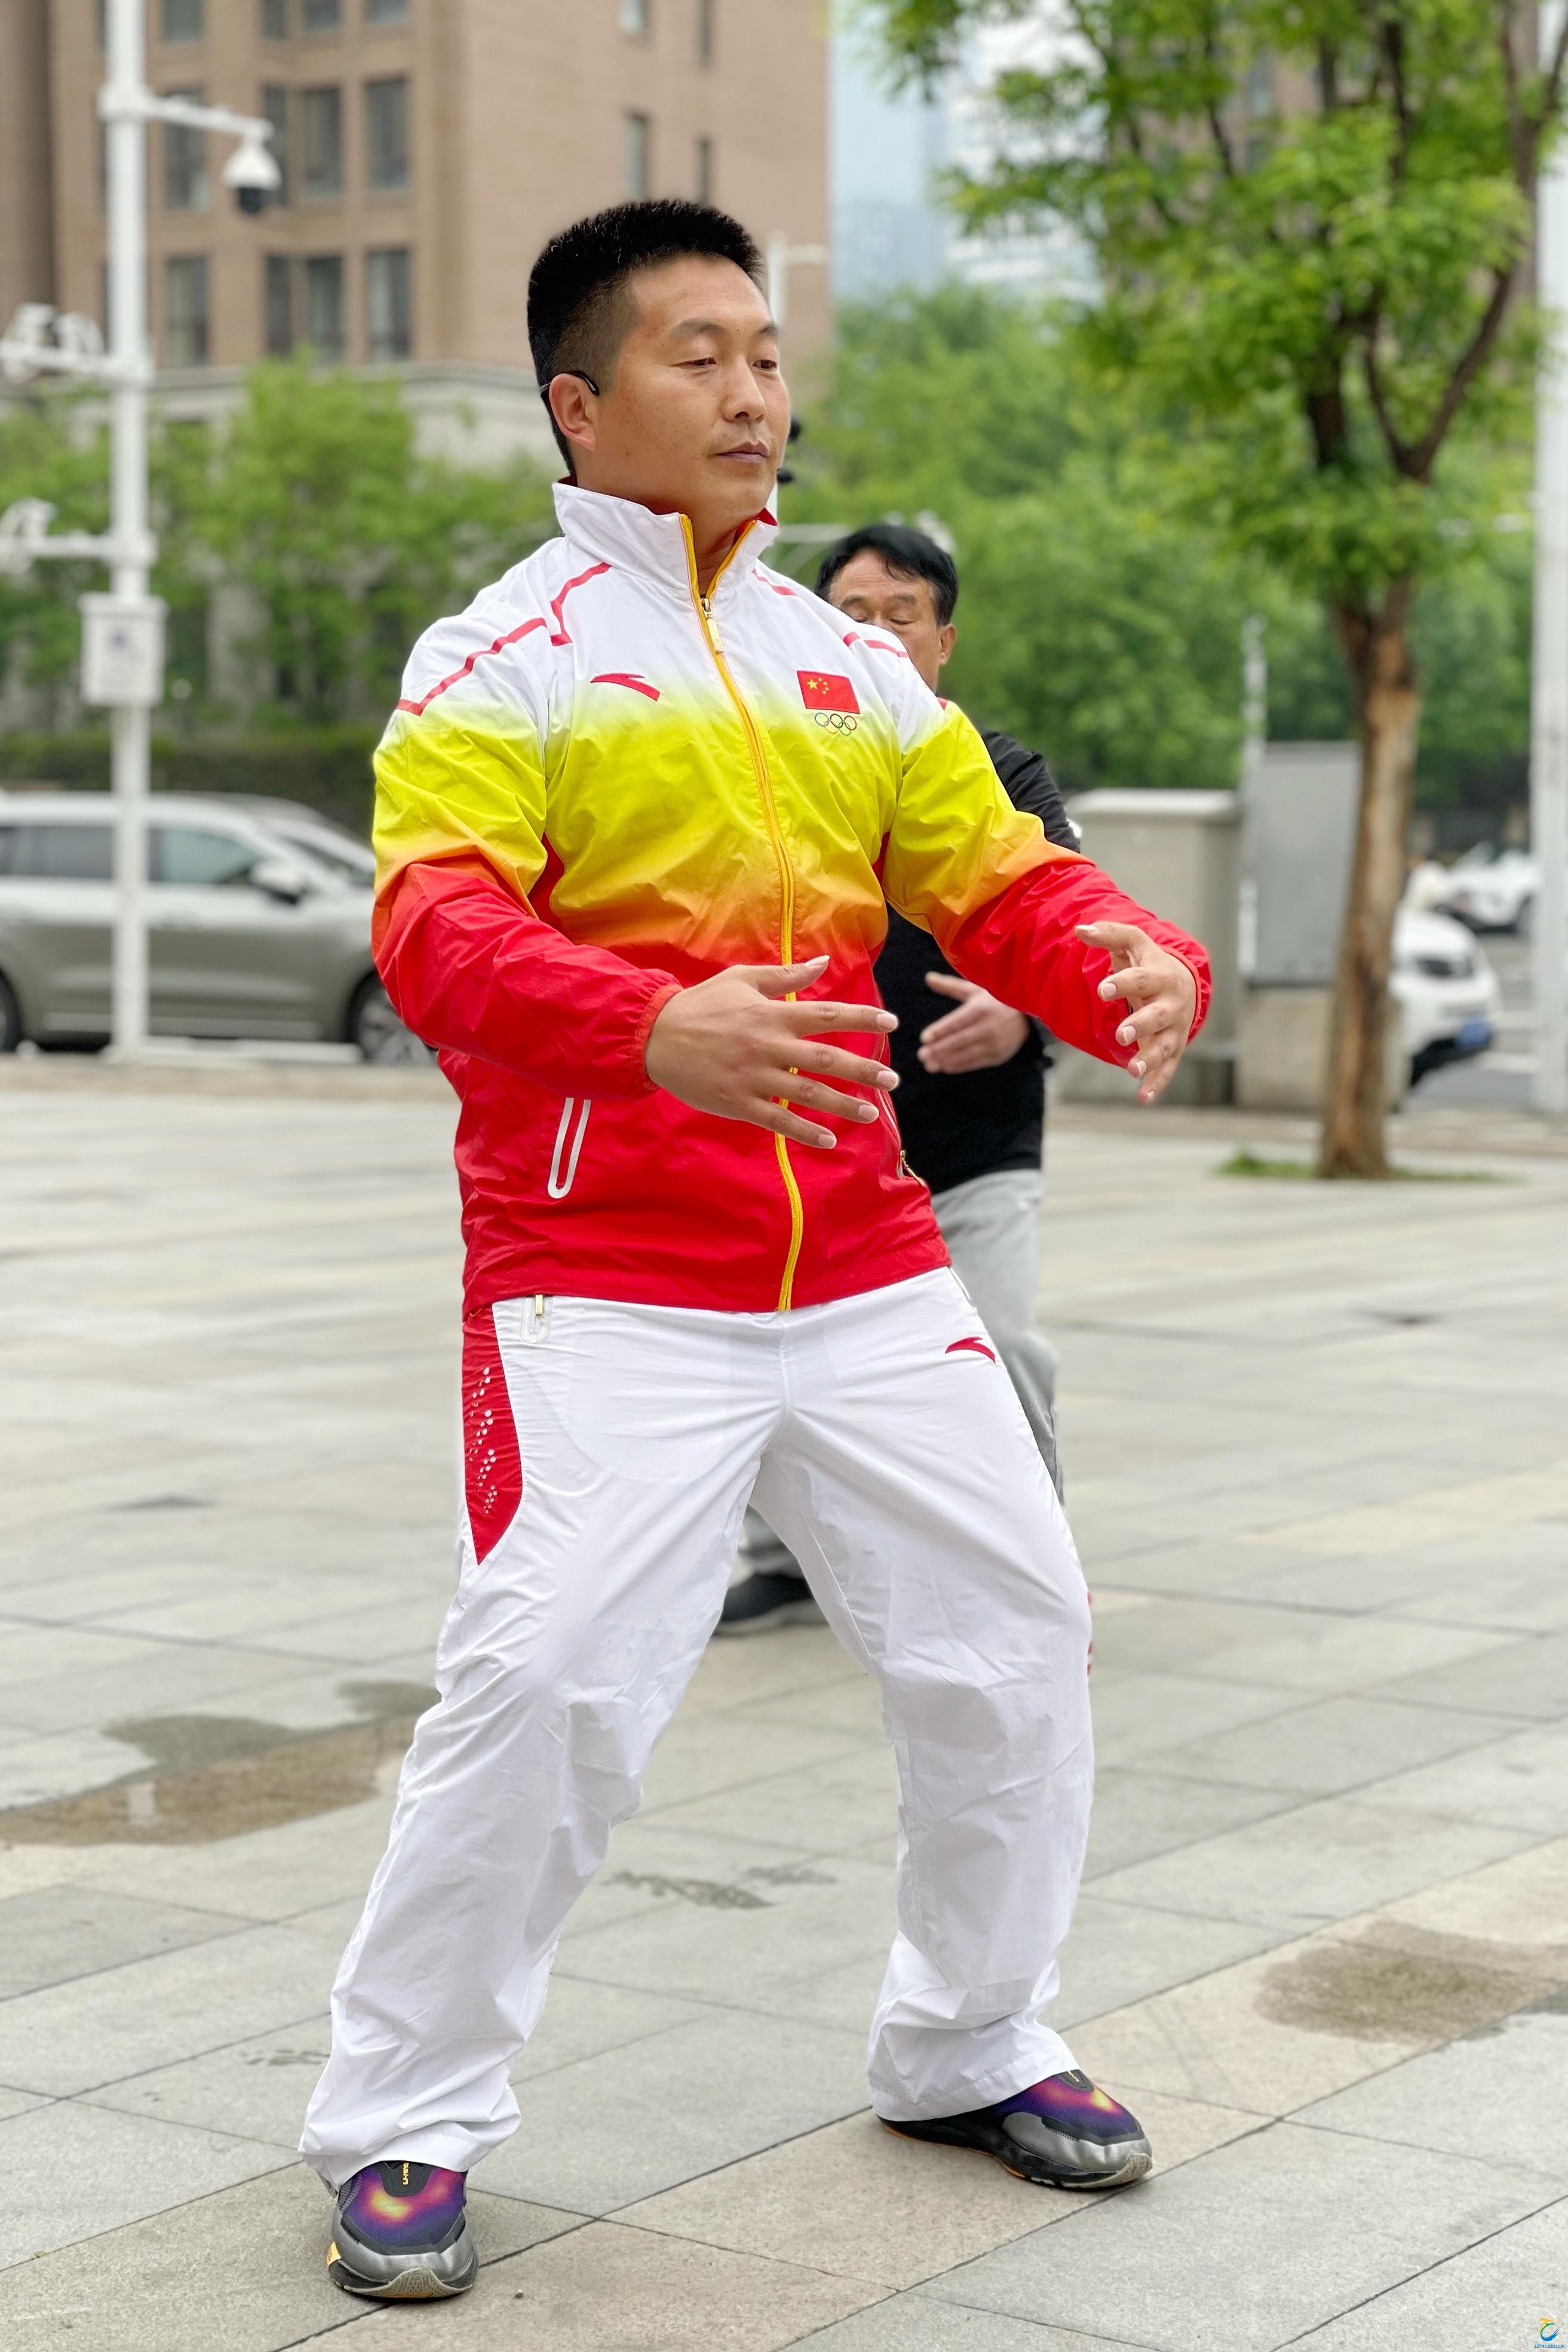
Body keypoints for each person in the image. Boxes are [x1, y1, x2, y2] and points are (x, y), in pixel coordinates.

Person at [300, 200, 1210, 2302]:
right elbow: (435, 928)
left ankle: (967, 2033)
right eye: (695, 355)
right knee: (547, 1683)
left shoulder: (845, 664)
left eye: (766, 355)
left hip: (868, 1259)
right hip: (601, 1272)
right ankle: (404, 2116)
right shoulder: (498, 657)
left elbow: (994, 870)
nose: (750, 395)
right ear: (578, 403)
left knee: (1015, 1631)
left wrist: (1125, 955)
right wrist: (651, 1027)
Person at [720, 522, 1076, 1635]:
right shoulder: (768, 769)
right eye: (853, 614)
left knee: (998, 1345)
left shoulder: (1000, 771)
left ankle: (1034, 1568)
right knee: (774, 1352)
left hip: (972, 1141)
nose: (875, 633)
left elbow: (1066, 920)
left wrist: (1022, 1012)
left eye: (901, 614)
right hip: (815, 1133)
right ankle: (786, 1560)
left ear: (943, 639)